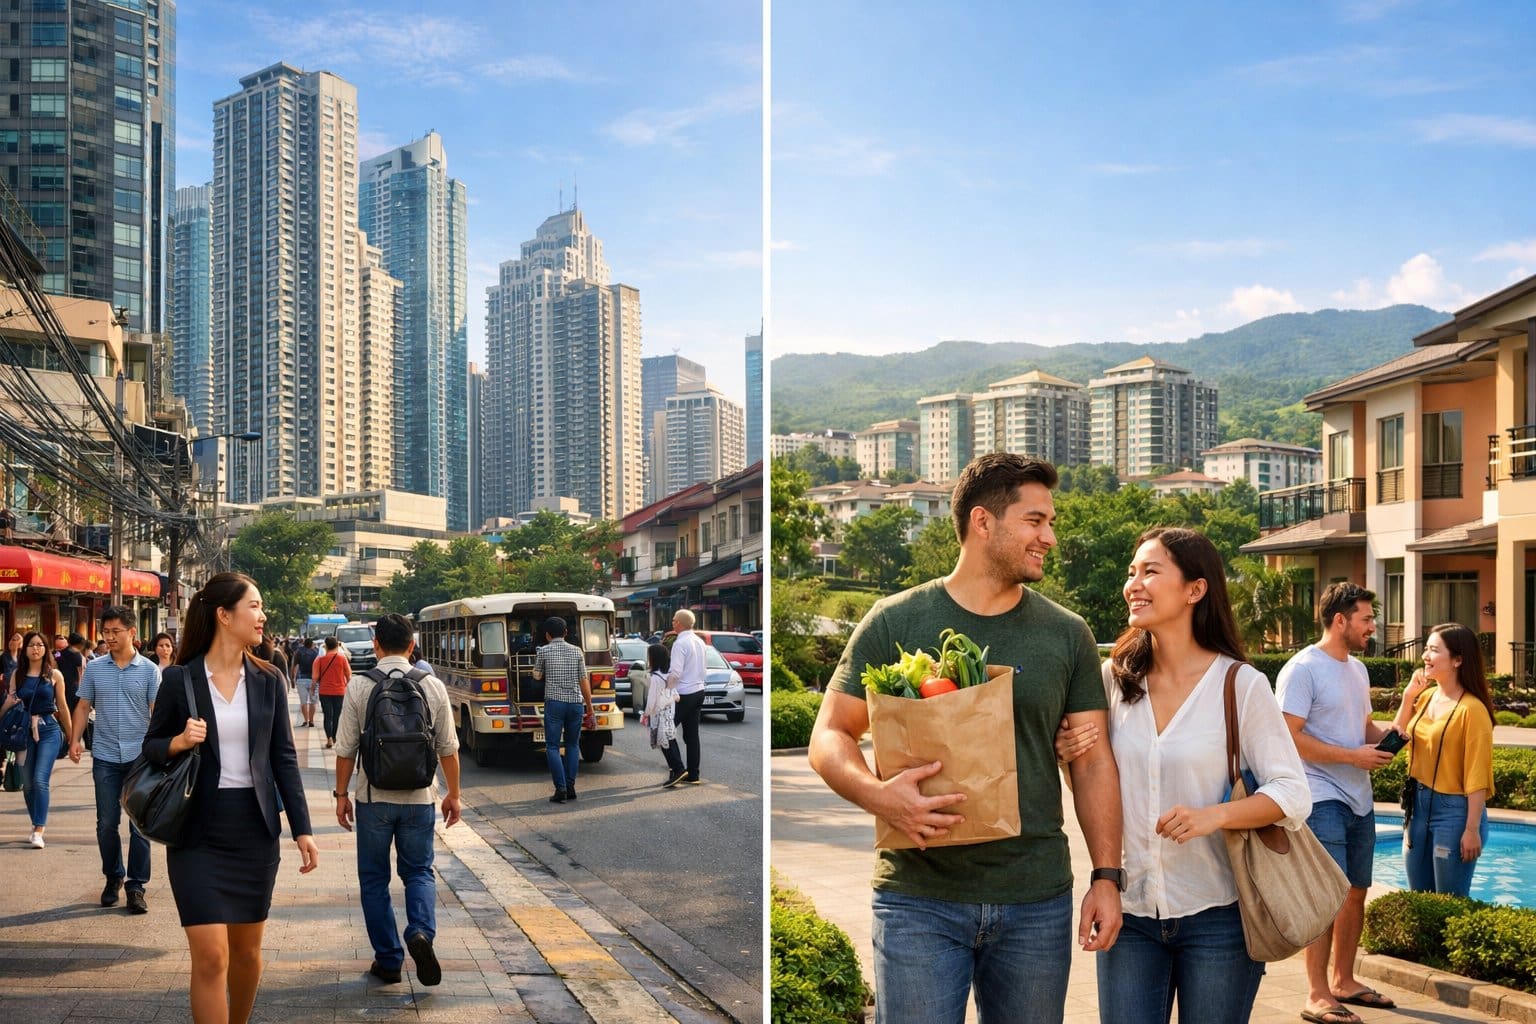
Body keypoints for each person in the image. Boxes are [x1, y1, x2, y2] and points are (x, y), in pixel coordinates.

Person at [808, 453, 1123, 1024]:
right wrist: (877, 795)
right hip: (917, 900)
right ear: (983, 523)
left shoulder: (1067, 634)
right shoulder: (894, 620)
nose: (1049, 537)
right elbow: (830, 735)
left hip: (1035, 898)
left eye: (1050, 522)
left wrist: (1107, 876)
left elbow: (1093, 762)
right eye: (1035, 521)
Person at [1058, 528, 1312, 1023]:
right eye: (1132, 573)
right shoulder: (1112, 680)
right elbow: (1095, 784)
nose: (1134, 584)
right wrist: (1071, 758)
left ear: (1195, 590)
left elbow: (1293, 793)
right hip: (1129, 912)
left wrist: (1214, 815)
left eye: (1150, 571)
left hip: (1219, 916)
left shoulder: (1240, 684)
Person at [140, 571, 318, 1024]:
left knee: (246, 954)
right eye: (253, 606)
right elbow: (152, 746)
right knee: (211, 957)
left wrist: (303, 830)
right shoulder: (180, 680)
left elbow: (284, 758)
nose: (262, 616)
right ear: (224, 615)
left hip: (254, 829)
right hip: (197, 830)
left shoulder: (269, 679)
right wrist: (179, 741)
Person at [1276, 582, 1401, 1023]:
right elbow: (1288, 737)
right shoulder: (1302, 669)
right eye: (1366, 618)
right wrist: (1353, 757)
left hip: (1359, 798)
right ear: (1341, 620)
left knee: (1355, 893)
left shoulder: (1357, 671)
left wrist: (1390, 739)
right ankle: (1316, 993)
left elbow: (1360, 726)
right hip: (1320, 794)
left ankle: (1344, 981)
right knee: (1327, 895)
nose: (1373, 626)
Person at [332, 612, 461, 986]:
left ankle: (388, 961)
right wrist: (454, 794)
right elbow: (448, 749)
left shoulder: (360, 685)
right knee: (419, 871)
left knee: (374, 879)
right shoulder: (431, 685)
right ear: (411, 646)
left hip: (374, 798)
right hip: (420, 797)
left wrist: (342, 796)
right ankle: (420, 932)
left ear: (375, 645)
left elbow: (345, 750)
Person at [1391, 623, 1494, 898]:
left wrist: (1471, 829)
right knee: (1419, 900)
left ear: (1458, 660)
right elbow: (1393, 741)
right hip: (1418, 807)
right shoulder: (1423, 698)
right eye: (1426, 649)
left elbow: (1477, 775)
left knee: (1449, 903)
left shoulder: (1472, 710)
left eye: (1434, 650)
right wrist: (1407, 697)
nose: (1425, 655)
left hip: (1454, 812)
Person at [69, 606, 160, 912]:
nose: (109, 638)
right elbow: (83, 706)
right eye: (105, 632)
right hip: (106, 756)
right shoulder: (95, 668)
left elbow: (155, 713)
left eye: (115, 632)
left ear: (132, 632)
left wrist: (160, 750)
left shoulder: (150, 670)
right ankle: (113, 877)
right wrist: (75, 740)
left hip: (139, 759)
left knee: (139, 824)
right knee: (107, 823)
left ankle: (136, 886)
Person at [6, 632, 71, 848]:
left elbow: (62, 707)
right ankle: (36, 822)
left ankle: (38, 830)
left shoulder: (54, 675)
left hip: (49, 731)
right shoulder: (18, 673)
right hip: (24, 732)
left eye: (40, 645)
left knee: (40, 779)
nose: (36, 649)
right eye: (32, 645)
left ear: (46, 649)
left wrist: (73, 738)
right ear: (25, 650)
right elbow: (11, 700)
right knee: (27, 783)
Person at [530, 616, 594, 802]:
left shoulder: (544, 651)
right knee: (573, 745)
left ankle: (561, 789)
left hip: (555, 703)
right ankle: (571, 785)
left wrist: (534, 672)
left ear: (547, 635)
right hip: (575, 703)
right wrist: (589, 707)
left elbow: (537, 675)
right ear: (566, 633)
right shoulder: (577, 652)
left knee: (552, 746)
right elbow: (584, 680)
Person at [663, 609, 708, 786]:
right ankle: (694, 774)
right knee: (691, 736)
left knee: (664, 730)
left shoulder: (680, 643)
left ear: (680, 623)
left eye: (674, 620)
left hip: (683, 693)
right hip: (699, 690)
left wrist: (666, 690)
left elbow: (676, 673)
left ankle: (678, 769)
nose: (672, 622)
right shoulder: (699, 641)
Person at [640, 642, 679, 775]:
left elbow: (651, 700)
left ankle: (677, 769)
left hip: (658, 715)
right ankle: (675, 769)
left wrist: (646, 714)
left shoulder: (655, 677)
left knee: (664, 743)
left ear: (654, 658)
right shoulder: (668, 674)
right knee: (670, 740)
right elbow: (675, 695)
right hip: (669, 713)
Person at [313, 637, 350, 749]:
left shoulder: (319, 660)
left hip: (324, 691)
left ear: (326, 646)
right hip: (339, 691)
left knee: (327, 715)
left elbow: (315, 677)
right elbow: (348, 675)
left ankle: (329, 738)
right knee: (336, 716)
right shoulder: (342, 659)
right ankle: (334, 738)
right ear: (337, 646)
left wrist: (312, 689)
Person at [292, 638, 321, 728]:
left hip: (301, 679)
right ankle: (311, 720)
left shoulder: (299, 651)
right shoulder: (316, 652)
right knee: (313, 701)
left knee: (303, 701)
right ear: (312, 644)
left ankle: (305, 720)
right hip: (313, 680)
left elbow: (294, 666)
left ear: (304, 644)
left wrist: (293, 677)